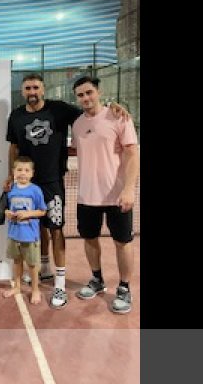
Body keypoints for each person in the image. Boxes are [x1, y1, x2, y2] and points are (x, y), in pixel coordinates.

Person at [5, 72, 127, 309]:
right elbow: (14, 147)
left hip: (52, 182)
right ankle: (45, 269)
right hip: (28, 184)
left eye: (36, 88)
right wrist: (11, 175)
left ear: (43, 89)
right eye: (28, 88)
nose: (32, 92)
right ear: (23, 91)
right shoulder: (16, 116)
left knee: (56, 229)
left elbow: (91, 111)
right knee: (37, 226)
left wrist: (113, 106)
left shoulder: (59, 109)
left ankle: (59, 284)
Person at [71, 76, 139, 314]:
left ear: (98, 92)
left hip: (117, 196)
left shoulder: (119, 116)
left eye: (89, 92)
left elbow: (132, 154)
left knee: (123, 242)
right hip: (86, 196)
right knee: (90, 239)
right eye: (80, 95)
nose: (85, 98)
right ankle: (97, 279)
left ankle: (124, 288)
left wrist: (129, 189)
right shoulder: (77, 124)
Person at [2, 156, 47, 305]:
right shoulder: (11, 189)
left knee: (32, 265)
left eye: (27, 170)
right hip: (14, 234)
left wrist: (28, 214)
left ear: (32, 173)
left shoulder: (35, 190)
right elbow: (6, 208)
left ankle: (35, 289)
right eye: (19, 169)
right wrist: (7, 213)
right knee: (17, 261)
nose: (23, 173)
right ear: (14, 171)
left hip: (30, 235)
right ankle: (17, 287)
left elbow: (42, 211)